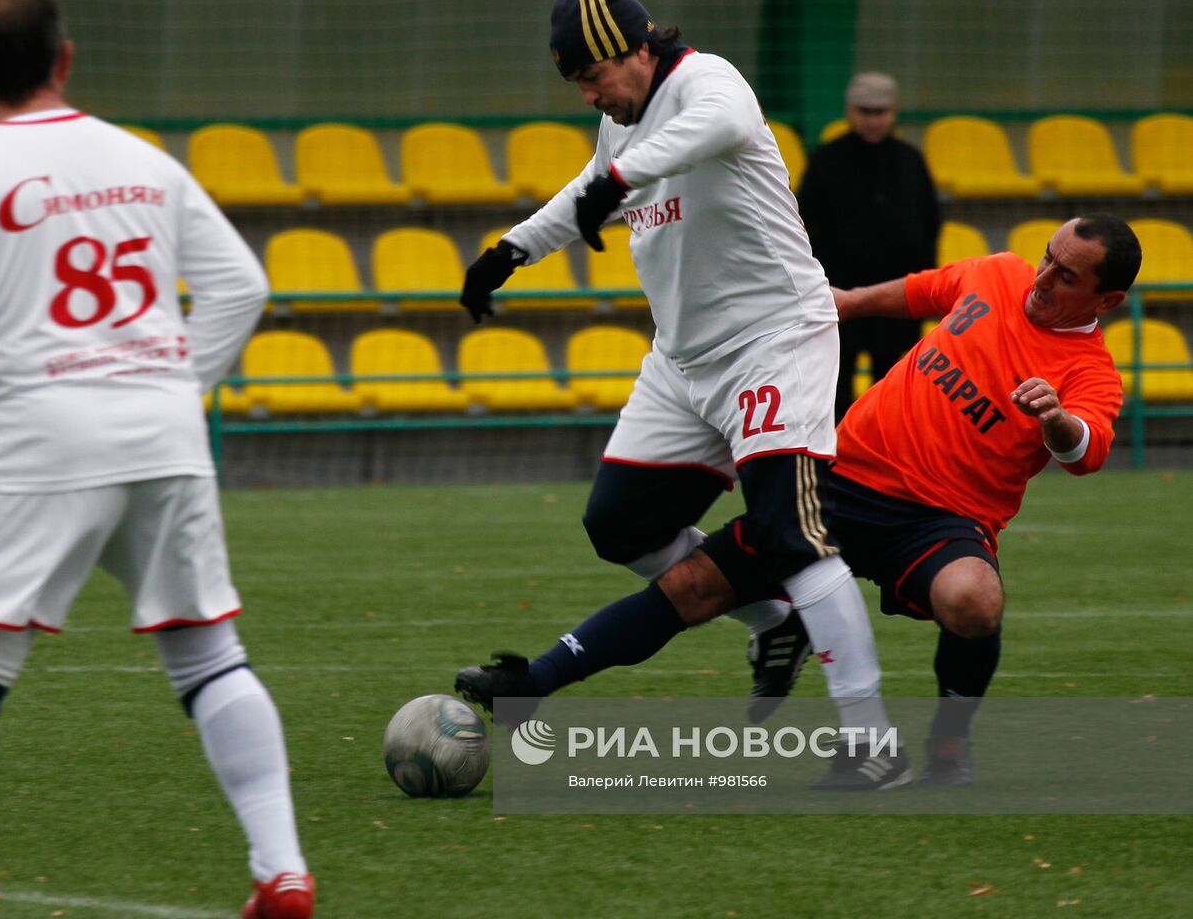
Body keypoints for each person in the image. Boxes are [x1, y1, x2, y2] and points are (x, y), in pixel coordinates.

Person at [0, 0, 313, 919]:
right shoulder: (145, 161)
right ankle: (282, 871)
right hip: (162, 435)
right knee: (209, 655)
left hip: (40, 435)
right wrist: (173, 387)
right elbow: (241, 287)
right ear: (65, 58)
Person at [466, 214, 1140, 786]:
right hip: (838, 481)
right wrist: (845, 302)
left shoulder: (1089, 373)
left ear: (1105, 301)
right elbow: (918, 291)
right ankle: (532, 683)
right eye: (1047, 257)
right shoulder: (997, 274)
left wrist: (1055, 420)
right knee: (693, 586)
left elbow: (1088, 450)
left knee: (974, 601)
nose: (1043, 279)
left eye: (1066, 276)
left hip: (940, 520)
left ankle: (950, 739)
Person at [455, 0, 907, 790]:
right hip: (681, 361)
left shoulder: (707, 78)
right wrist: (511, 250)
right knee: (618, 525)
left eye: (594, 76)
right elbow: (589, 187)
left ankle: (873, 742)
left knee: (792, 539)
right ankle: (774, 624)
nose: (591, 95)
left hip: (773, 341)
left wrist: (616, 182)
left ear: (635, 47)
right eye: (579, 85)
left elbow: (715, 129)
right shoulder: (619, 118)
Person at [797, 72, 941, 421]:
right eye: (865, 111)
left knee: (894, 383)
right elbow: (806, 223)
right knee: (834, 382)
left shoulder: (911, 162)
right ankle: (836, 457)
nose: (873, 119)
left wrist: (919, 285)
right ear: (850, 110)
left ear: (893, 111)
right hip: (837, 293)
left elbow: (929, 222)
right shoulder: (826, 161)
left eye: (880, 111)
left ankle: (885, 456)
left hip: (895, 297)